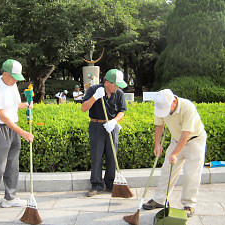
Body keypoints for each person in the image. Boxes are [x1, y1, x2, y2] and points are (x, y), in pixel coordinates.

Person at [142, 89, 207, 217]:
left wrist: (175, 153)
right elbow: (159, 126)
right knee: (167, 169)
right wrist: (157, 144)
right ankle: (160, 199)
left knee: (191, 173)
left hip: (195, 141)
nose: (165, 113)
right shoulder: (161, 105)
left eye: (167, 109)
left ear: (174, 101)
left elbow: (186, 134)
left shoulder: (188, 107)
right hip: (176, 140)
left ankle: (189, 204)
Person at [0, 59, 34, 211]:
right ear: (5, 74)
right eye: (13, 77)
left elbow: (14, 105)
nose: (14, 81)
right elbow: (3, 116)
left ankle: (10, 198)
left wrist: (25, 105)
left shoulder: (13, 85)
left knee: (12, 165)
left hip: (13, 127)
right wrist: (23, 132)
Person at [81, 69, 127, 197]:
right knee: (97, 155)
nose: (117, 87)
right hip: (96, 125)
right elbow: (84, 108)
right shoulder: (94, 89)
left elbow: (121, 111)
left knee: (112, 155)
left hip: (111, 126)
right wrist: (95, 97)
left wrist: (114, 121)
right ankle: (96, 185)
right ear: (107, 83)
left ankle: (111, 183)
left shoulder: (119, 93)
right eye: (115, 84)